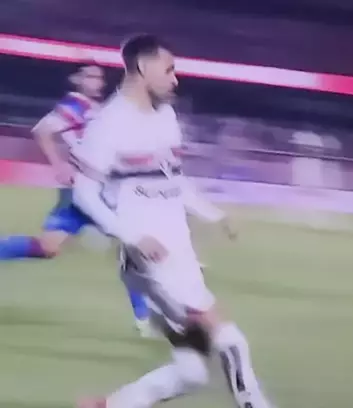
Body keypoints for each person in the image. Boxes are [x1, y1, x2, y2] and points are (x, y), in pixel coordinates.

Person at [72, 34, 272, 408]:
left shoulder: (166, 116)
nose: (175, 79)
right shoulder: (108, 124)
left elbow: (174, 181)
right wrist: (132, 237)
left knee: (191, 372)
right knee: (231, 342)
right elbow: (84, 194)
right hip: (151, 259)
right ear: (143, 68)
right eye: (169, 70)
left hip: (179, 252)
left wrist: (214, 214)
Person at [0, 62, 153, 337]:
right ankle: (146, 319)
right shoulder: (76, 105)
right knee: (133, 246)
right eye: (89, 76)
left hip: (94, 190)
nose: (97, 81)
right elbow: (42, 130)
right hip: (85, 192)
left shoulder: (96, 109)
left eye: (99, 77)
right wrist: (58, 164)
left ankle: (146, 318)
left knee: (48, 247)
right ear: (75, 79)